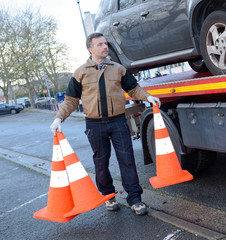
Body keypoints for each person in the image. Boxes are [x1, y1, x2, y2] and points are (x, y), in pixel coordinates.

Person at [50, 32, 160, 216]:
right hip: (95, 125)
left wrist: (148, 97)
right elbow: (71, 100)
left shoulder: (118, 69)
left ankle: (135, 199)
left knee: (128, 161)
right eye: (100, 44)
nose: (105, 47)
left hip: (118, 122)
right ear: (90, 49)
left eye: (105, 44)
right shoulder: (80, 73)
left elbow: (133, 89)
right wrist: (58, 118)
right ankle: (109, 196)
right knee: (101, 164)